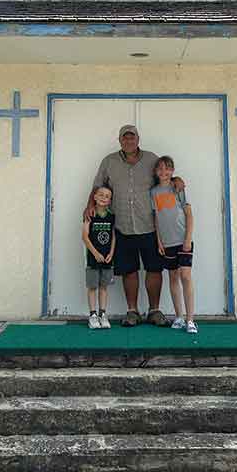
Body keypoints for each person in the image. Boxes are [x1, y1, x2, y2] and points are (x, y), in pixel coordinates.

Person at [84, 125, 184, 328]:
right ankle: (132, 311)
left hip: (150, 225)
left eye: (132, 137)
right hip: (122, 225)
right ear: (120, 140)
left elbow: (164, 177)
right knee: (129, 270)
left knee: (154, 269)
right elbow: (97, 186)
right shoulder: (109, 161)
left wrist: (176, 179)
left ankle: (154, 311)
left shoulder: (151, 159)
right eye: (125, 138)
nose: (128, 141)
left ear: (138, 139)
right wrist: (89, 206)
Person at [151, 155, 197, 334]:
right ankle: (178, 316)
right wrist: (159, 241)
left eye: (168, 168)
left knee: (186, 276)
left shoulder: (178, 188)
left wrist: (187, 239)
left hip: (183, 241)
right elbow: (156, 217)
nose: (164, 172)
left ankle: (190, 319)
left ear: (172, 171)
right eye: (160, 169)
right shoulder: (153, 192)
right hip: (167, 242)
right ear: (156, 172)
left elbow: (189, 215)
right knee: (173, 278)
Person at [81, 186, 115, 329]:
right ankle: (93, 315)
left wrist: (111, 253)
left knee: (104, 286)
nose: (103, 197)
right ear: (94, 197)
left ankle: (102, 314)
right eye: (100, 194)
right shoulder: (90, 214)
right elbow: (85, 236)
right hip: (93, 258)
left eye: (106, 196)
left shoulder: (111, 215)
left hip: (107, 258)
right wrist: (95, 253)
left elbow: (113, 236)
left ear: (110, 200)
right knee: (92, 286)